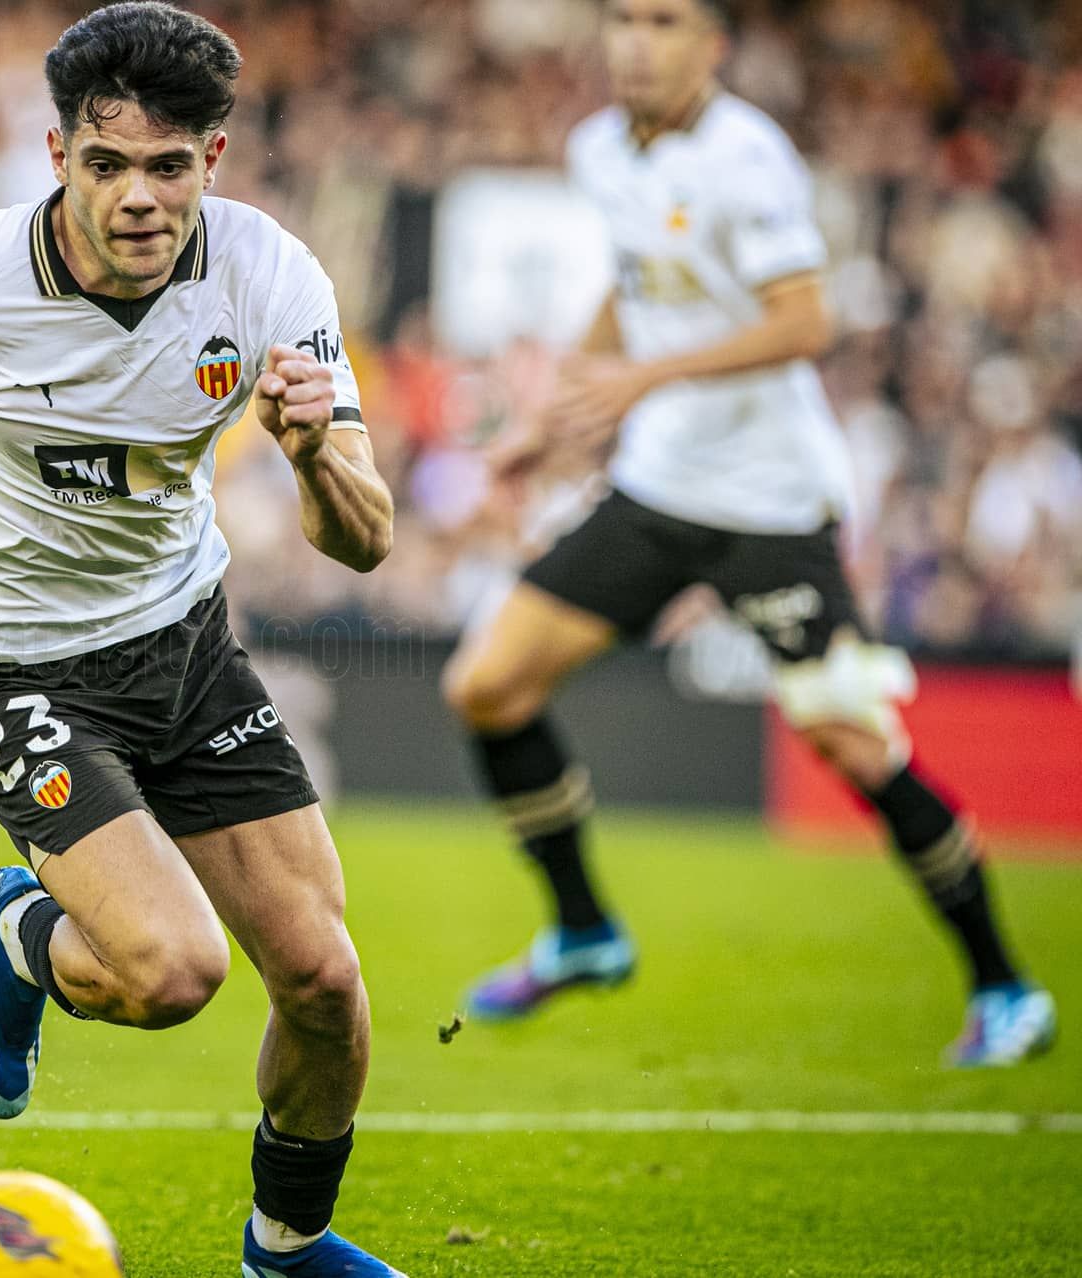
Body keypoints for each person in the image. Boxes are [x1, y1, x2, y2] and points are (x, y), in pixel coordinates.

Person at [0, 4, 405, 1270]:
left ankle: (285, 1246)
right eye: (106, 164)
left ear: (212, 160)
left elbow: (365, 541)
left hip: (185, 648)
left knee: (325, 985)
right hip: (12, 667)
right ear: (58, 154)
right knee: (173, 976)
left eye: (168, 166)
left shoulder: (269, 274)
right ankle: (20, 936)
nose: (137, 198)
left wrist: (311, 454)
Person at [449, 0, 1055, 1067]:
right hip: (658, 487)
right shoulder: (600, 148)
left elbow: (805, 321)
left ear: (712, 46)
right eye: (624, 19)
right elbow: (635, 285)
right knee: (488, 685)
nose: (638, 42)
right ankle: (584, 931)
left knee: (850, 744)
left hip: (770, 506)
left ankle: (1006, 988)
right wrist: (549, 419)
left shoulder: (749, 157)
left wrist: (644, 379)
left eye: (666, 22)